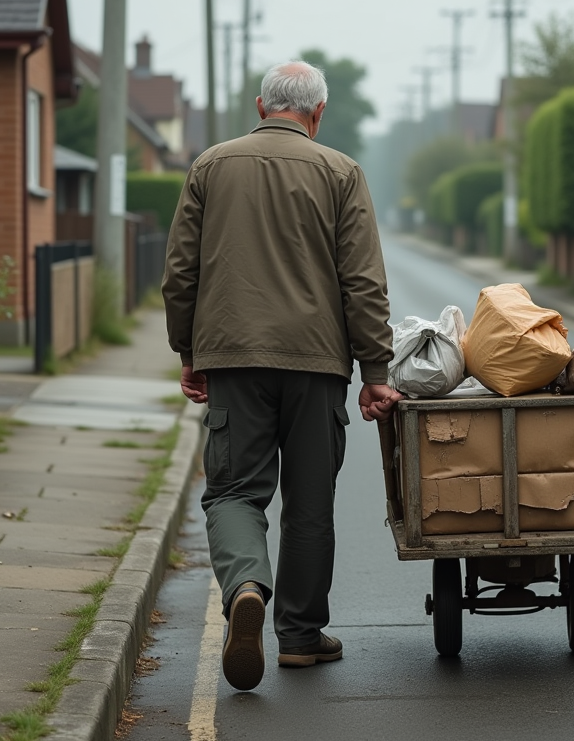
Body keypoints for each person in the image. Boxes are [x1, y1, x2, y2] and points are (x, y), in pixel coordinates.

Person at [162, 60, 401, 692]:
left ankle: (246, 585)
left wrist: (188, 349)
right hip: (318, 364)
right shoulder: (341, 172)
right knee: (309, 502)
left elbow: (180, 270)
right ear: (317, 114)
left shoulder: (210, 166)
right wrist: (375, 368)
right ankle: (298, 637)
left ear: (261, 104)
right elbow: (363, 282)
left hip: (233, 358)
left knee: (236, 491)